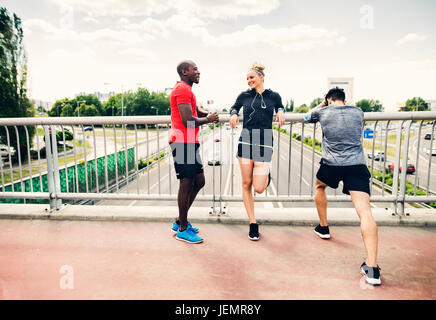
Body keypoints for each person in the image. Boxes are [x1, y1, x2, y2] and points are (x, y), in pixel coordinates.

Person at [305, 87, 381, 285]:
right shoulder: (358, 112)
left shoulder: (323, 111)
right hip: (356, 165)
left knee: (319, 187)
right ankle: (372, 269)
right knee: (365, 212)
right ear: (344, 100)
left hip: (331, 164)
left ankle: (324, 227)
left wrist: (322, 105)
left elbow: (306, 117)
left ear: (329, 100)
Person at [229, 63, 285, 241]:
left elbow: (280, 106)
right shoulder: (244, 96)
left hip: (264, 143)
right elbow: (234, 107)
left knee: (259, 188)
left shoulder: (273, 96)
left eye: (252, 77)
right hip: (246, 141)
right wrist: (233, 114)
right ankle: (253, 223)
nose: (249, 81)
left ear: (261, 77)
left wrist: (282, 111)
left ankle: (266, 176)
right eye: (247, 79)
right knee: (246, 184)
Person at [169, 60, 219, 244]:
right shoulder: (182, 90)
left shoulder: (187, 90)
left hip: (190, 142)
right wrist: (207, 119)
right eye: (195, 69)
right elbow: (188, 120)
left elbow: (195, 110)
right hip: (182, 142)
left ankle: (179, 221)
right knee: (186, 182)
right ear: (184, 72)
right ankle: (182, 229)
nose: (198, 72)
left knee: (199, 180)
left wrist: (209, 115)